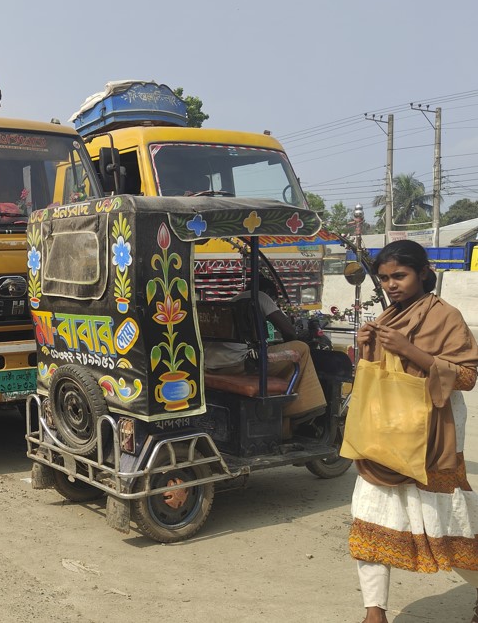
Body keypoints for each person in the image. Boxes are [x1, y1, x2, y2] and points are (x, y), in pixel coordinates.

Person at [350, 240, 478, 623]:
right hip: (382, 438)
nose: (391, 284)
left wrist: (410, 350)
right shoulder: (387, 318)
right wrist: (365, 347)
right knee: (369, 522)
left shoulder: (446, 317)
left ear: (423, 272)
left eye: (400, 276)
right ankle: (375, 614)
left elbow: (468, 377)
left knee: (449, 529)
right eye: (385, 277)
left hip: (432, 443)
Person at [203, 275, 326, 428]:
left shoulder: (233, 302)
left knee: (277, 358)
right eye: (273, 299)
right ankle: (298, 411)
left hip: (214, 365)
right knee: (301, 348)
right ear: (268, 292)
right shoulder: (259, 296)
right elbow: (289, 333)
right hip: (238, 365)